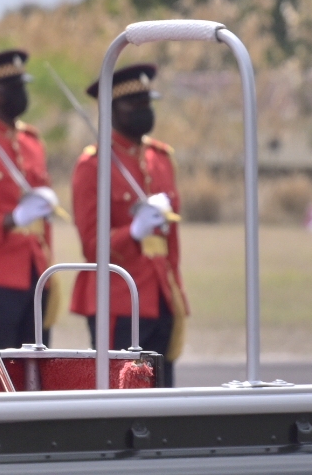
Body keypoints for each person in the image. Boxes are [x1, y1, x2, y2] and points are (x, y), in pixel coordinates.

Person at [71, 64, 188, 387]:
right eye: (134, 105)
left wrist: (175, 287)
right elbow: (93, 245)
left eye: (147, 103)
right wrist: (133, 232)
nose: (144, 111)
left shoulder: (161, 159)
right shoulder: (93, 166)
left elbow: (170, 240)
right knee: (122, 391)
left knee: (162, 391)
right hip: (119, 298)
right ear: (111, 110)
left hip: (161, 293)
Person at [0, 50, 60, 349]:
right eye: (11, 86)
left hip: (36, 267)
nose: (20, 93)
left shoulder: (33, 142)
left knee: (38, 363)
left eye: (22, 85)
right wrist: (11, 220)